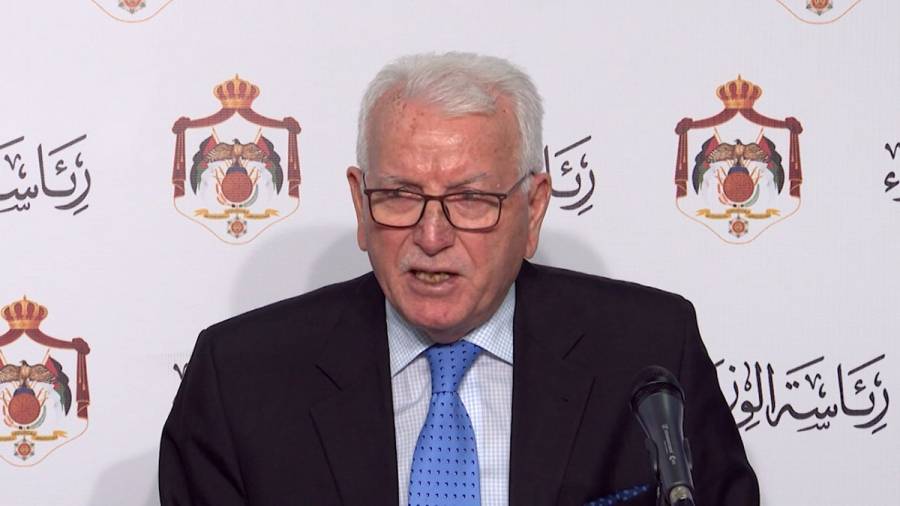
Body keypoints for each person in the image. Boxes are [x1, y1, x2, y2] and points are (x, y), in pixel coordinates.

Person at [159, 52, 759, 506]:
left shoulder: (649, 352)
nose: (432, 236)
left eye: (471, 200)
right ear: (361, 205)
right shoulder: (239, 379)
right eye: (399, 195)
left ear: (534, 209)